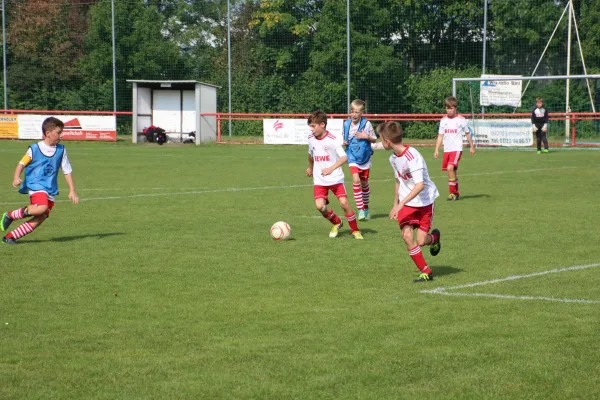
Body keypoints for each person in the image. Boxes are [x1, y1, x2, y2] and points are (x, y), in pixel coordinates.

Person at [377, 121, 441, 283]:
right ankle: (426, 271)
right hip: (407, 202)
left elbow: (419, 186)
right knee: (406, 235)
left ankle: (434, 239)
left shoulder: (412, 156)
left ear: (387, 141)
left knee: (421, 240)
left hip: (425, 201)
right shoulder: (393, 158)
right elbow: (398, 181)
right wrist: (395, 204)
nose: (379, 141)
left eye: (380, 138)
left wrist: (400, 204)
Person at [1, 117, 79, 244]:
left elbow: (67, 170)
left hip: (50, 189)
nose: (62, 135)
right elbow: (21, 164)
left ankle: (10, 237)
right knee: (41, 208)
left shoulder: (61, 150)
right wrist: (16, 177)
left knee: (41, 216)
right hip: (36, 185)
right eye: (59, 132)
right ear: (48, 133)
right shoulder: (34, 148)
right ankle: (11, 215)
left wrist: (72, 190)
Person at [306, 110, 363, 240]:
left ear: (322, 124)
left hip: (335, 178)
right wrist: (310, 167)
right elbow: (310, 155)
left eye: (313, 126)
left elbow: (344, 157)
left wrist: (331, 169)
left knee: (344, 203)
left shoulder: (332, 139)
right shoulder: (311, 139)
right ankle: (337, 222)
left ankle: (355, 230)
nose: (311, 129)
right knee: (320, 206)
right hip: (320, 179)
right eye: (310, 126)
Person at [434, 96, 475, 201]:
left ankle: (452, 193)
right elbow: (440, 135)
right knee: (452, 172)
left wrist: (471, 146)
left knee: (450, 168)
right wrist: (436, 149)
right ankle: (456, 194)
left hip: (456, 149)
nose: (449, 110)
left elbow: (467, 133)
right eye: (447, 108)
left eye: (451, 108)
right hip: (447, 150)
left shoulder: (461, 120)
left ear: (455, 108)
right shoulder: (443, 120)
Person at [343, 99, 377, 221]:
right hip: (352, 156)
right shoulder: (346, 124)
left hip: (364, 157)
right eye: (352, 111)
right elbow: (346, 140)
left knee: (364, 184)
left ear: (361, 113)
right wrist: (345, 142)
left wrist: (366, 136)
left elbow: (374, 139)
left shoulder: (366, 124)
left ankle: (366, 207)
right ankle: (360, 210)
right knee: (356, 181)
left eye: (357, 112)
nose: (354, 114)